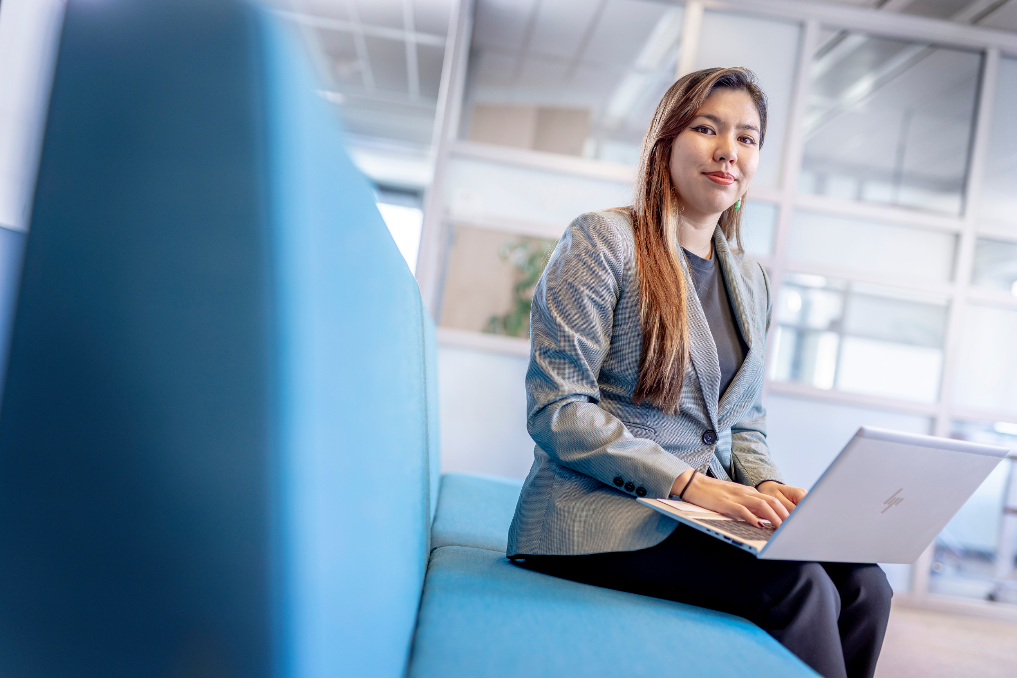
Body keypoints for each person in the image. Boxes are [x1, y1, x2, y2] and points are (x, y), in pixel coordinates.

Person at [506, 67, 892, 678]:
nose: (728, 152)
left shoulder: (750, 278)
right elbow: (558, 409)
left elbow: (745, 427)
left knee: (868, 585)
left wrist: (765, 487)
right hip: (598, 516)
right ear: (666, 141)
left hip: (700, 514)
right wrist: (686, 483)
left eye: (747, 137)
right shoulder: (603, 241)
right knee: (801, 589)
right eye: (707, 129)